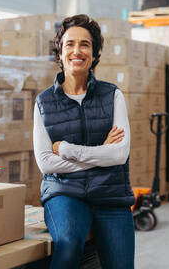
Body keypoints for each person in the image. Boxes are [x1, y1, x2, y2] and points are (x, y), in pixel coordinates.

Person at [33, 14, 136, 269]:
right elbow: (47, 163)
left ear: (94, 52)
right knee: (67, 245)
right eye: (70, 44)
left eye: (85, 44)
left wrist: (66, 150)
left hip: (111, 194)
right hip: (64, 192)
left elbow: (119, 155)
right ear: (60, 51)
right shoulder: (44, 102)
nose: (77, 51)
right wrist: (101, 154)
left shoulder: (112, 95)